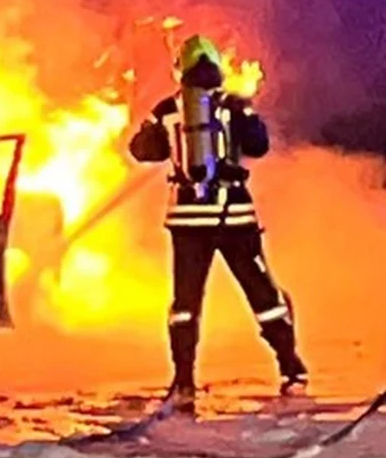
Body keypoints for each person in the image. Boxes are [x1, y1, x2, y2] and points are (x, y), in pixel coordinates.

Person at [128, 34, 307, 407]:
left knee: (185, 302)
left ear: (182, 70)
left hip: (187, 220)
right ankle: (292, 369)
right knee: (262, 294)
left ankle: (183, 382)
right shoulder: (234, 106)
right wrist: (247, 116)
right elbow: (258, 146)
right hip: (234, 216)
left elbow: (142, 151)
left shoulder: (166, 109)